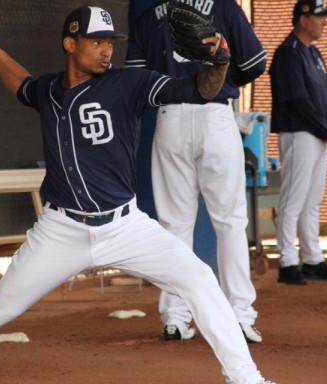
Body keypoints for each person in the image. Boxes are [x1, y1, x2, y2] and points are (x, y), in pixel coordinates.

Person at [0, 6, 276, 384]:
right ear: (70, 44)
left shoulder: (129, 83)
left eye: (109, 42)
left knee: (200, 278)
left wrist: (219, 63)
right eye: (96, 41)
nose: (105, 51)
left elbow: (198, 90)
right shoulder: (48, 91)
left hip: (125, 226)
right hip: (61, 230)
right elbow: (22, 85)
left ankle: (246, 378)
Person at [125, 0, 267, 343]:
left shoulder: (149, 15)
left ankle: (175, 317)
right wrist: (221, 66)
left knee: (175, 224)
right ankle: (239, 316)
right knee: (230, 222)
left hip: (169, 118)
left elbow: (134, 79)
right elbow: (254, 65)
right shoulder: (225, 7)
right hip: (216, 116)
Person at [269, 0, 327, 285]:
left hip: (318, 134)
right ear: (303, 19)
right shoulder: (288, 53)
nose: (324, 22)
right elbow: (297, 100)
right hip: (299, 133)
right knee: (294, 198)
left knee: (312, 200)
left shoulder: (314, 53)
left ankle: (312, 259)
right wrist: (326, 130)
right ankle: (287, 262)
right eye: (320, 17)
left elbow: (324, 96)